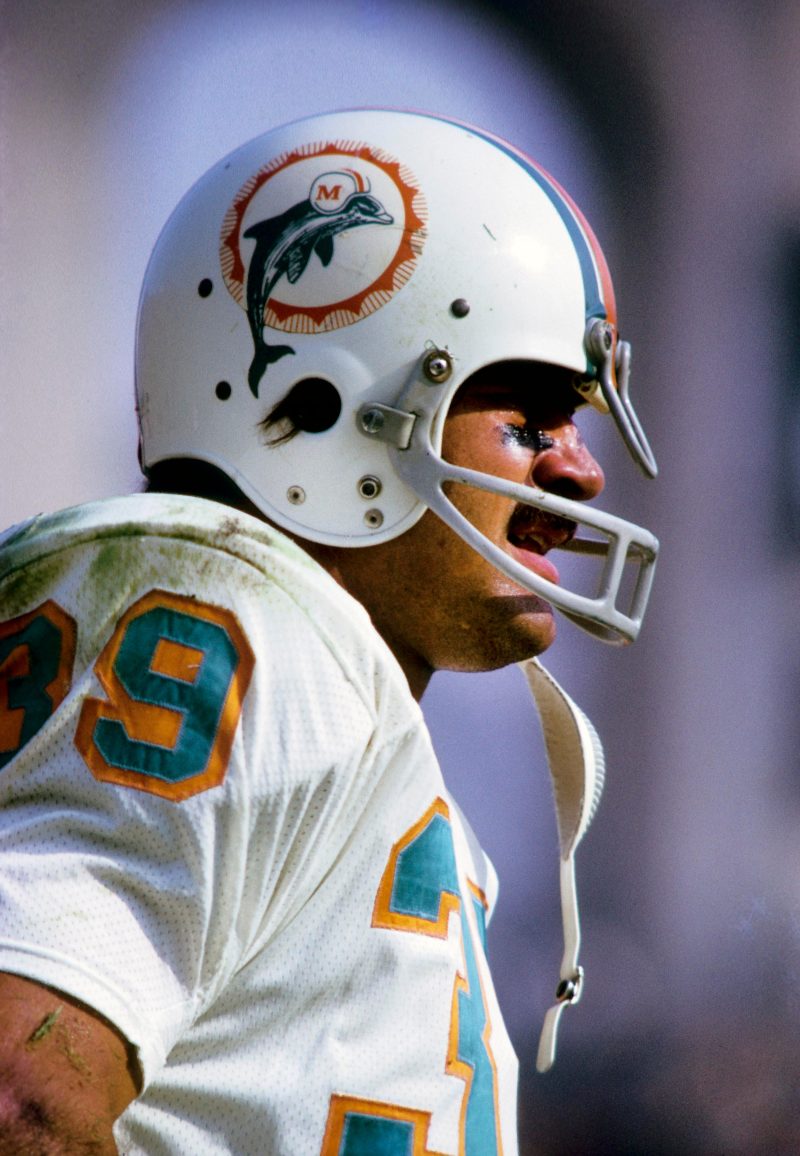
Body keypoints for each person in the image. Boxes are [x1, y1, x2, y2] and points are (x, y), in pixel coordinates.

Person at [0, 108, 658, 1154]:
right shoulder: (227, 620)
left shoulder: (333, 694)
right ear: (321, 408)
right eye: (530, 418)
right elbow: (23, 1091)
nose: (580, 470)